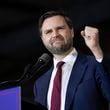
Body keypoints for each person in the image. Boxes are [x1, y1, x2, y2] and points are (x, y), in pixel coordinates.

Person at [33, 10, 110, 110]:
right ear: (42, 39)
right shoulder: (39, 84)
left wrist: (96, 50)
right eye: (48, 31)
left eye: (60, 28)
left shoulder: (94, 64)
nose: (55, 34)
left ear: (72, 32)